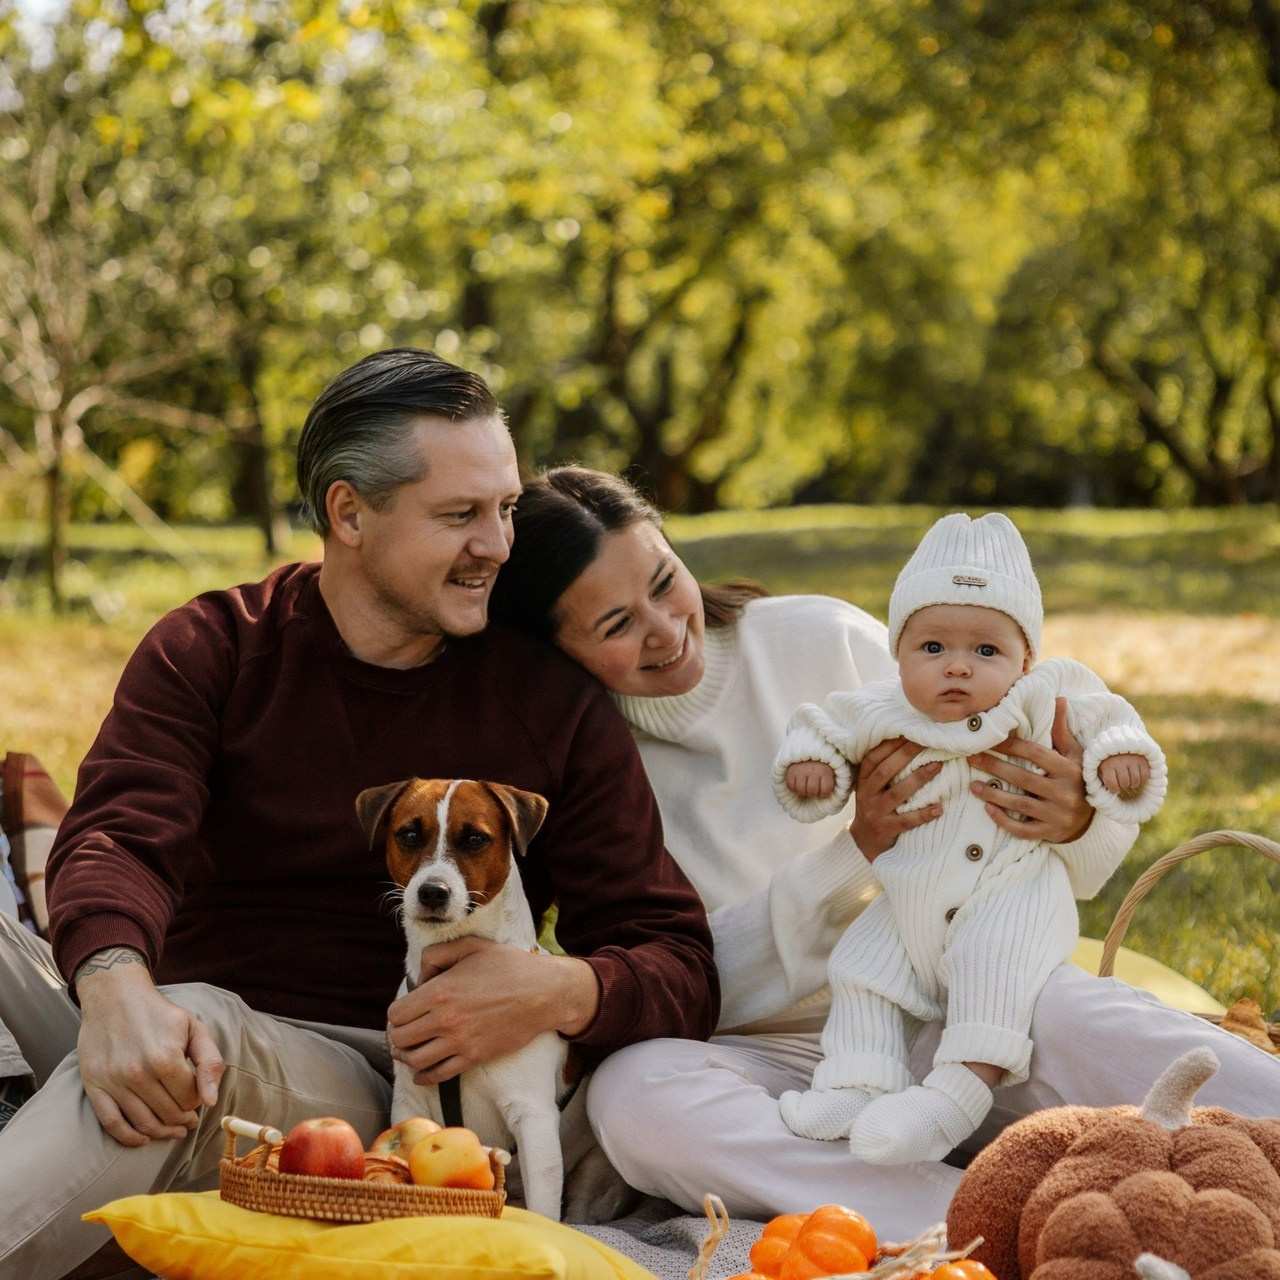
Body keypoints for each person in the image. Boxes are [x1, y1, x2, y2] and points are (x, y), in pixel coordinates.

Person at [0, 351, 718, 1279]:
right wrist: (112, 988)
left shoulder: (547, 702)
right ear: (349, 513)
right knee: (155, 1028)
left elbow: (675, 956)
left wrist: (557, 989)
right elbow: (117, 834)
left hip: (369, 1070)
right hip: (149, 1018)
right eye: (460, 515)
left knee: (190, 1041)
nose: (499, 543)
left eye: (503, 507)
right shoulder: (217, 645)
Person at [486, 465, 1279, 1240]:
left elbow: (1049, 863)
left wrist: (1078, 821)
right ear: (557, 650)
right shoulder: (586, 761)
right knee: (633, 1097)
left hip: (953, 993)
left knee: (1070, 1013)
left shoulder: (819, 641)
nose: (665, 630)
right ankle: (989, 1222)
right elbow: (682, 980)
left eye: (664, 581)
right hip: (775, 1062)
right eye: (616, 625)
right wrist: (857, 848)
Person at [773, 512, 1167, 1165]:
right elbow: (821, 726)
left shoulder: (1047, 694)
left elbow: (1111, 720)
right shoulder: (881, 708)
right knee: (863, 968)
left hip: (1010, 895)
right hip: (909, 900)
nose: (958, 668)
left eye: (986, 652)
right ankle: (856, 1080)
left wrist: (1121, 760)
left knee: (994, 969)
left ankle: (956, 1096)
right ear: (897, 652)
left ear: (1026, 660)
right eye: (933, 649)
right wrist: (811, 766)